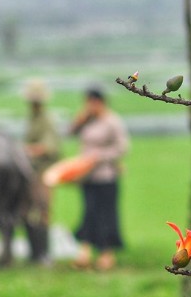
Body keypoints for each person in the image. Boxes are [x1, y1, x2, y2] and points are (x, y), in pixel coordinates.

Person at [69, 88, 129, 271]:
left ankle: (106, 254)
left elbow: (122, 148)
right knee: (89, 213)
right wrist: (79, 121)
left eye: (93, 102)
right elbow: (70, 133)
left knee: (106, 215)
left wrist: (99, 156)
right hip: (87, 176)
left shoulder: (112, 121)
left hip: (106, 175)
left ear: (101, 102)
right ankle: (84, 253)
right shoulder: (88, 121)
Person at [23, 79, 61, 262]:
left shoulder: (47, 120)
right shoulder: (32, 119)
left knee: (43, 211)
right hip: (32, 172)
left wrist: (27, 150)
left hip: (45, 173)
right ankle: (34, 253)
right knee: (29, 212)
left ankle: (44, 255)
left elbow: (49, 147)